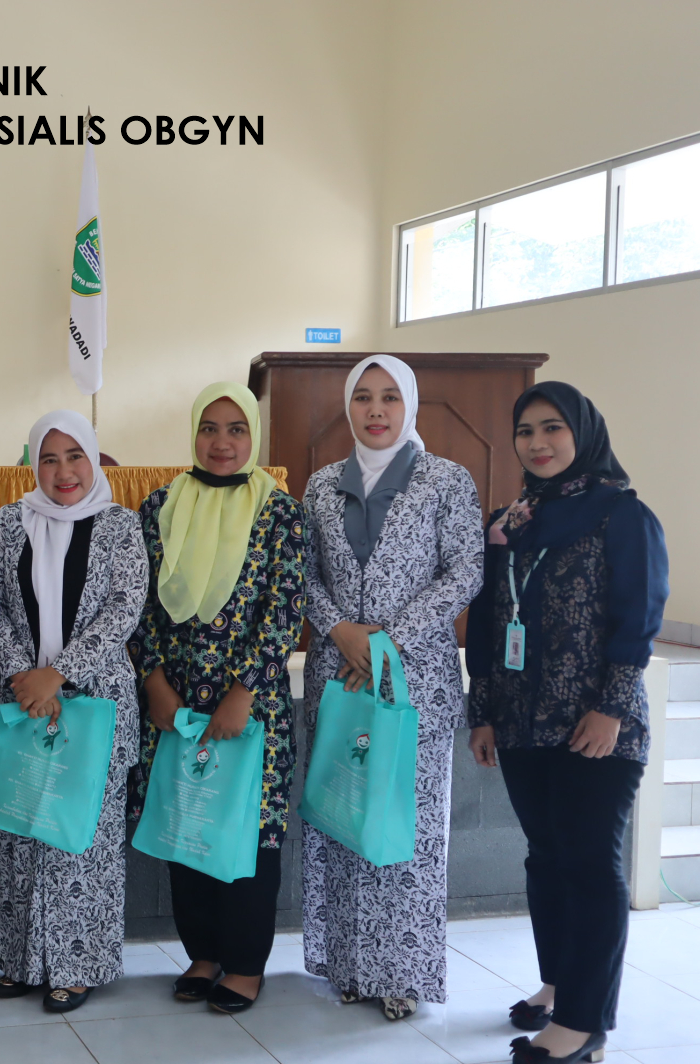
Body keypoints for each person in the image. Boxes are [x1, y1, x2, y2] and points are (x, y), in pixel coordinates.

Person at [466, 383, 666, 1064]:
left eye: (553, 428)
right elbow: (488, 621)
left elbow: (639, 617)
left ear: (583, 432)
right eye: (525, 432)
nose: (538, 443)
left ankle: (584, 1024)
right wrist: (484, 713)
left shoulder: (622, 514)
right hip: (522, 723)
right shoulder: (511, 521)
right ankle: (558, 985)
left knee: (587, 863)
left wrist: (610, 708)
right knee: (547, 858)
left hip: (595, 725)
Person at [298, 354, 483, 1020]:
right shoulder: (321, 485)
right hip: (339, 679)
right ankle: (347, 966)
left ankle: (401, 972)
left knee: (407, 829)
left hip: (413, 684)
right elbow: (303, 573)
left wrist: (386, 639)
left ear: (409, 405)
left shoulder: (446, 479)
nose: (375, 411)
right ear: (348, 407)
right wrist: (339, 629)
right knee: (343, 818)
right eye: (363, 398)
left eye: (389, 398)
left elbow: (466, 571)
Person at [129, 381, 305, 1015]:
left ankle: (246, 964)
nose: (222, 442)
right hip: (174, 705)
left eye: (237, 429)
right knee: (187, 824)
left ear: (253, 435)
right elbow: (139, 603)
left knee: (247, 833)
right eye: (210, 428)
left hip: (249, 709)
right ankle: (202, 954)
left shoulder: (279, 512)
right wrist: (154, 681)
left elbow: (285, 610)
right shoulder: (160, 506)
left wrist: (243, 692)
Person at [0, 411, 147, 1012]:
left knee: (81, 839)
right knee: (19, 830)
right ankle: (20, 961)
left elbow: (124, 608)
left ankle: (77, 965)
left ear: (93, 459)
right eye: (48, 459)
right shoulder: (9, 523)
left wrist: (60, 673)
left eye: (75, 456)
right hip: (21, 700)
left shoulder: (121, 526)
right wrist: (27, 678)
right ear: (33, 465)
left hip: (94, 703)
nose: (63, 471)